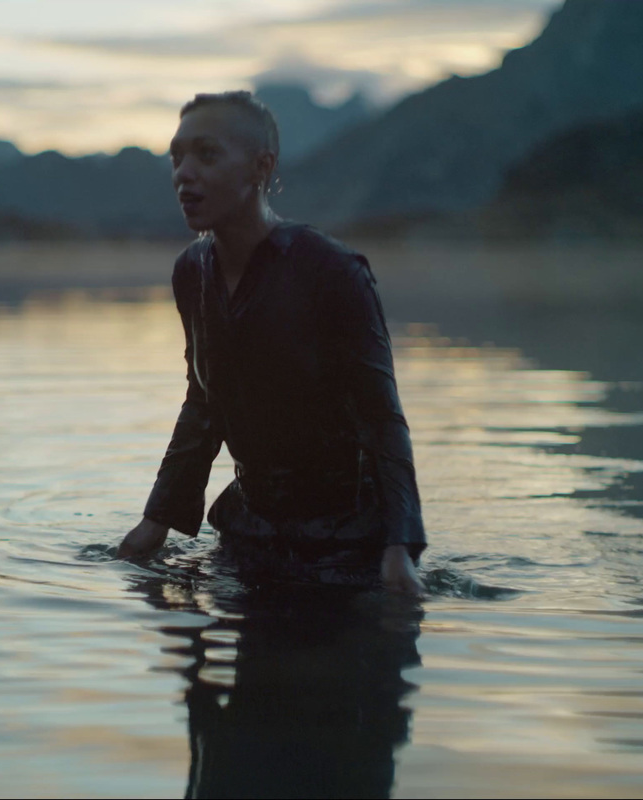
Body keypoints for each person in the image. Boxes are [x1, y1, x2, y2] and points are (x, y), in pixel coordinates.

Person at [117, 90, 426, 598]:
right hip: (249, 531)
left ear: (261, 167)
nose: (183, 173)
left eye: (206, 154)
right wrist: (156, 522)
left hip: (346, 543)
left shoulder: (332, 272)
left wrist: (399, 551)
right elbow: (204, 401)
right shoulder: (191, 272)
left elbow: (382, 418)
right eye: (177, 157)